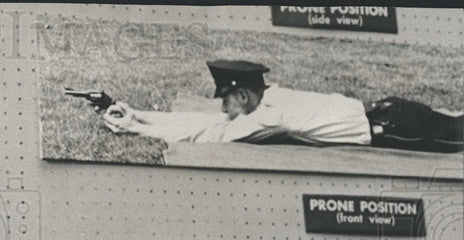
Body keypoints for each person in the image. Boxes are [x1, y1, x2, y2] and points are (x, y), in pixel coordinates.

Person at [101, 59, 464, 153]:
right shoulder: (275, 97)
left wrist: (134, 126)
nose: (224, 109)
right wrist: (139, 115)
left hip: (399, 130)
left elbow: (210, 135)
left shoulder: (270, 116)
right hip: (392, 111)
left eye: (226, 100)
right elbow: (204, 121)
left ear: (242, 96)